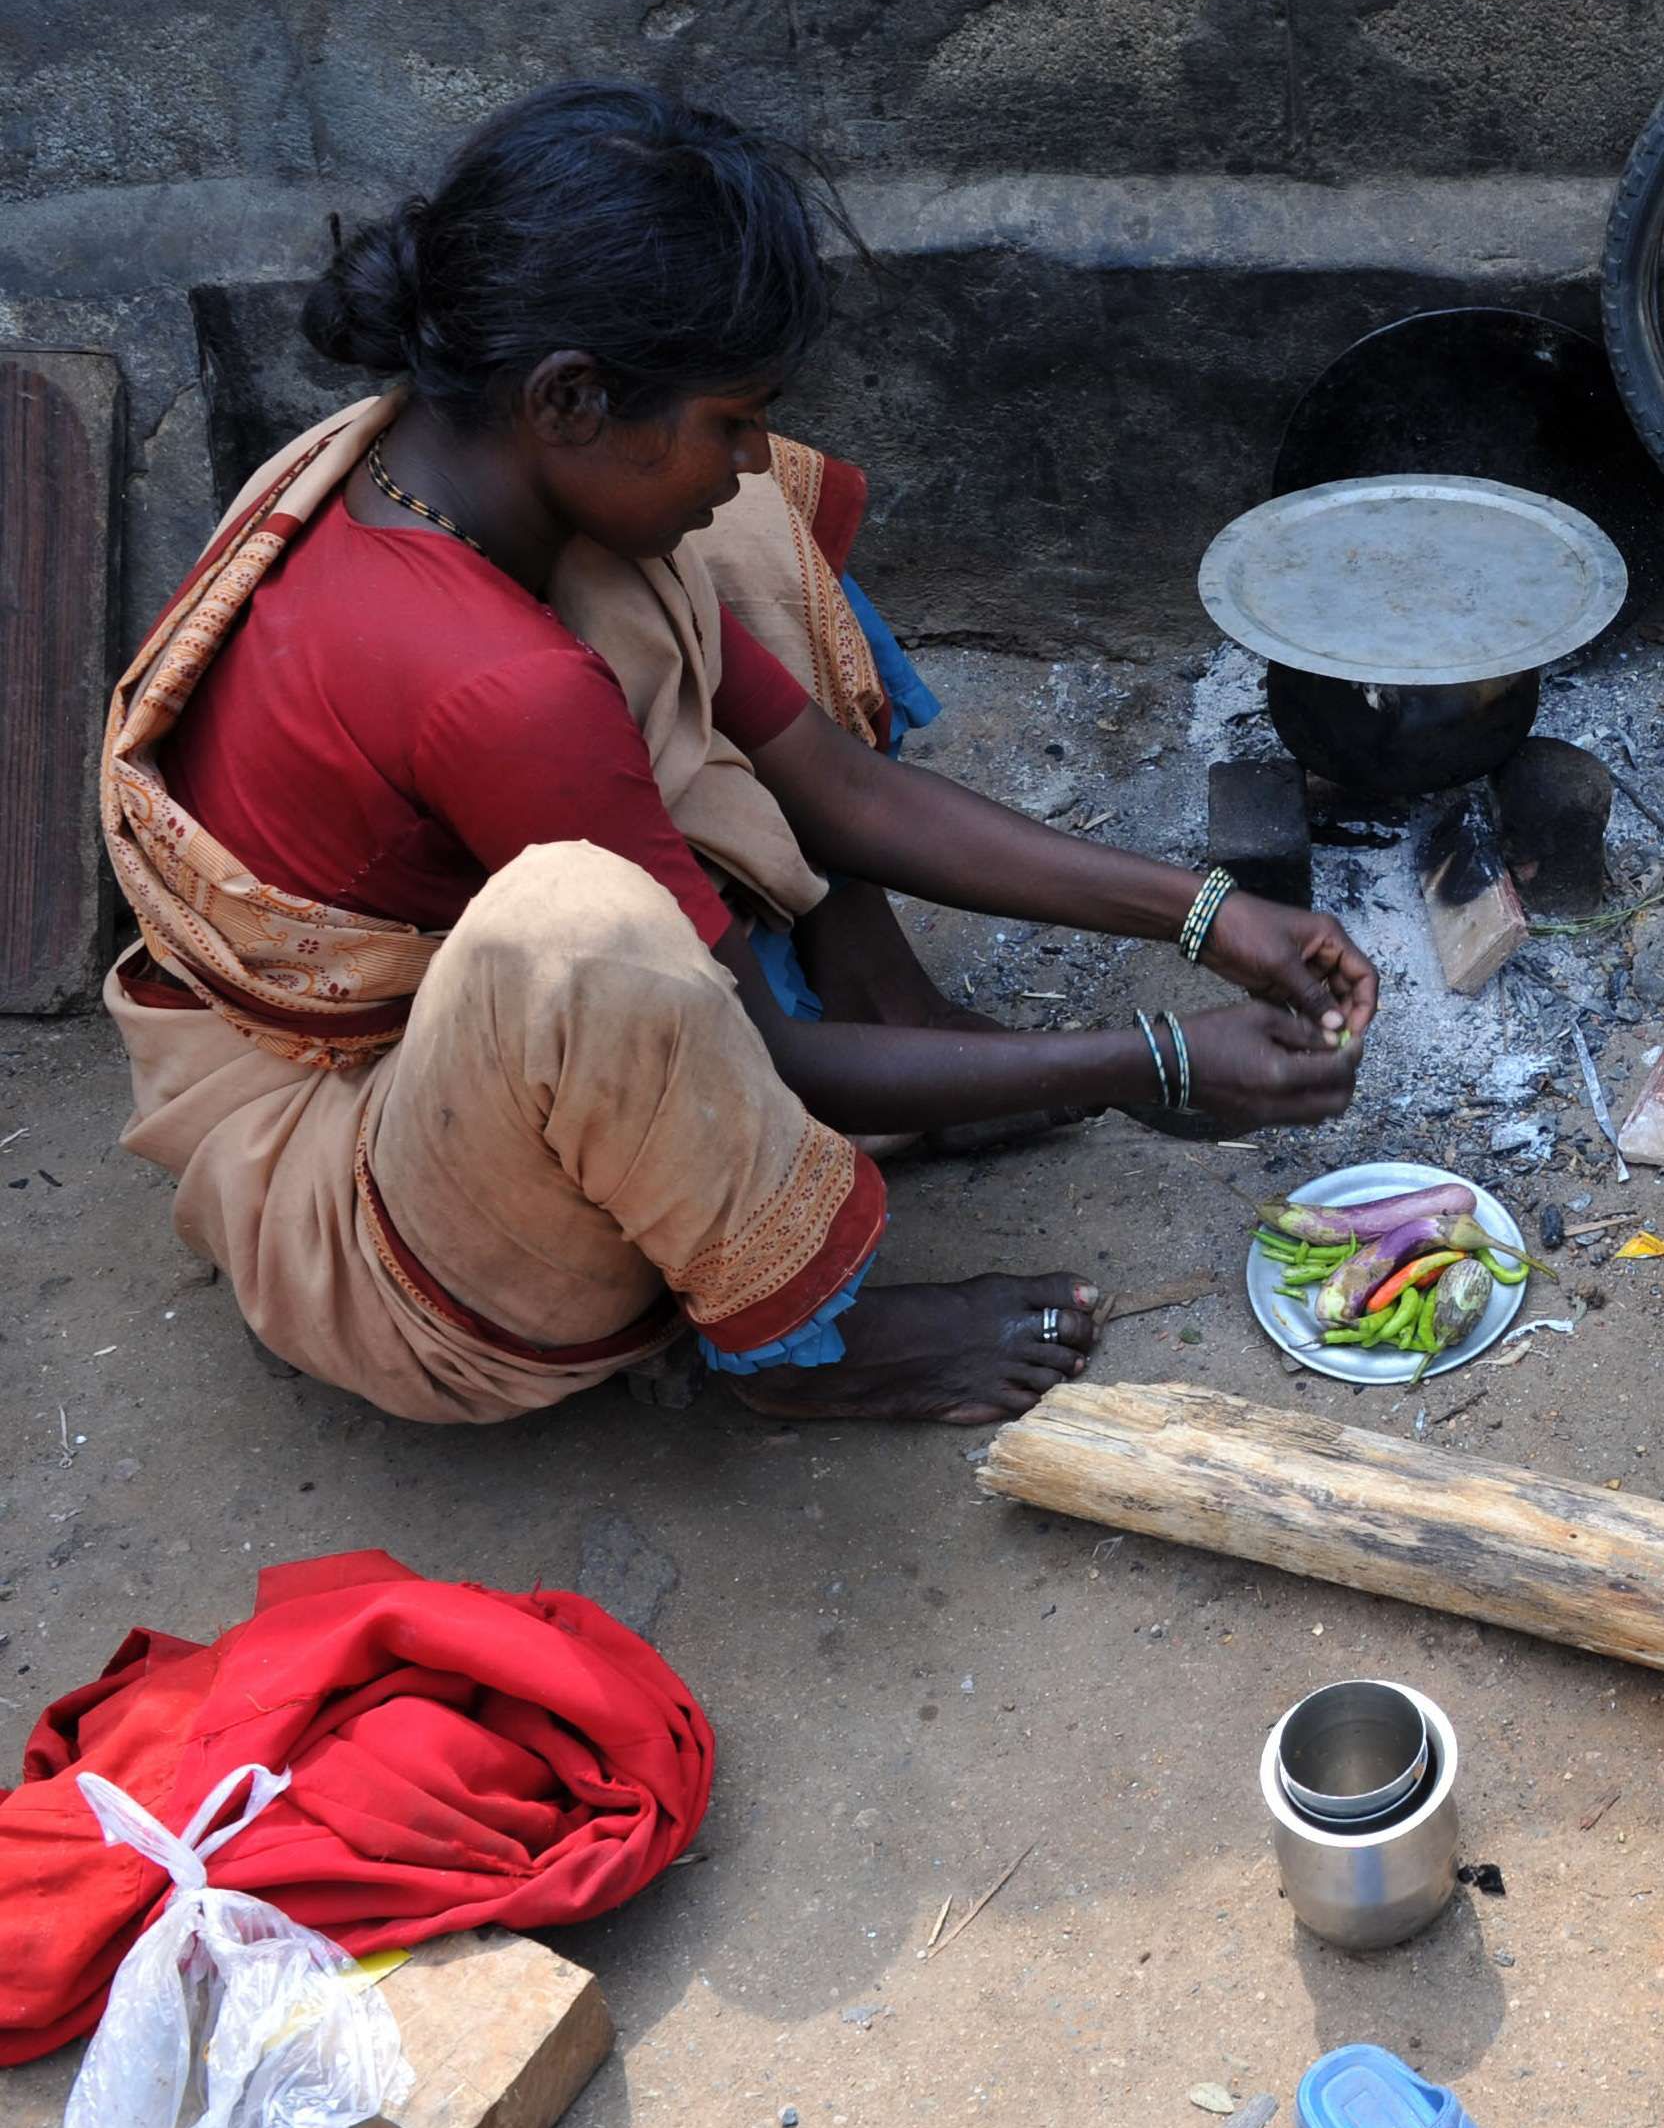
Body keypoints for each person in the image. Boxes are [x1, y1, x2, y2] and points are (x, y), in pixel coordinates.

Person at [95, 83, 1380, 1428]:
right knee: (591, 922)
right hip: (372, 1207)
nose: (753, 450)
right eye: (728, 416)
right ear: (570, 398)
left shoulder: (471, 467)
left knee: (738, 536)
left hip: (482, 970)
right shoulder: (504, 685)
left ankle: (901, 1021)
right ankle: (795, 1353)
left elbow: (837, 785)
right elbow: (753, 1059)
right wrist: (1153, 1060)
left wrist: (1206, 914)